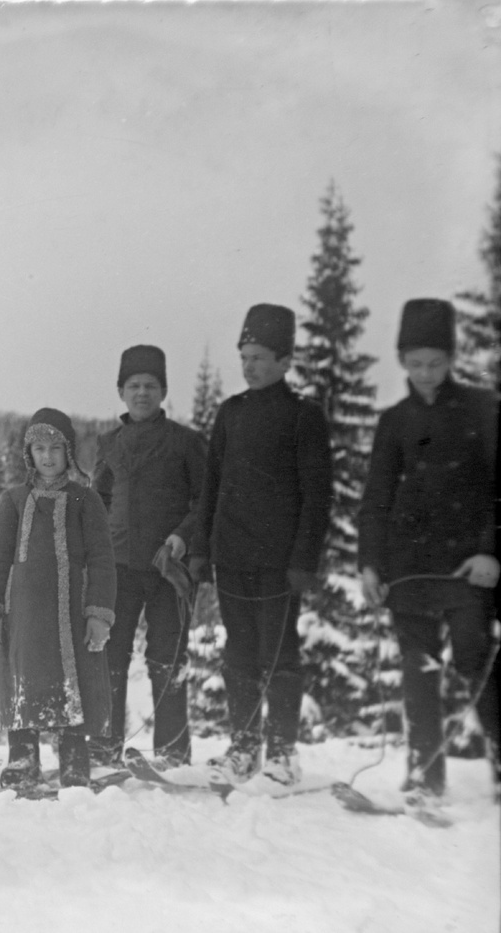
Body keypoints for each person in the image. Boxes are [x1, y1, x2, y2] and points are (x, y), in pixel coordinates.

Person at [357, 298, 500, 803]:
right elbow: (375, 497)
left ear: (451, 357)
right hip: (409, 567)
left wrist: (490, 552)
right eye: (415, 363)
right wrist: (370, 564)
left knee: (476, 662)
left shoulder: (483, 408)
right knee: (418, 670)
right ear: (401, 361)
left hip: (467, 567)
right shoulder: (393, 421)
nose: (425, 373)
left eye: (435, 363)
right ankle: (425, 775)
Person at [190, 305, 333, 786]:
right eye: (244, 356)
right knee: (239, 655)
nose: (249, 366)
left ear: (286, 360)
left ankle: (283, 754)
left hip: (278, 564)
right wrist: (201, 550)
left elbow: (317, 494)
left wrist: (303, 560)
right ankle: (245, 746)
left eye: (259, 357)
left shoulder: (303, 417)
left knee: (279, 656)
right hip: (232, 557)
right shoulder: (230, 414)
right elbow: (211, 486)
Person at [0, 408, 117, 789]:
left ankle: (74, 759)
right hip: (22, 614)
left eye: (56, 447)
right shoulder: (14, 500)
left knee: (73, 683)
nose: (48, 456)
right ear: (29, 453)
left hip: (71, 612)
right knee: (23, 680)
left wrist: (99, 614)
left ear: (69, 452)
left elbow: (103, 560)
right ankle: (22, 759)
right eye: (39, 448)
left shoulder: (86, 501)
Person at [92, 345, 207, 769]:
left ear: (163, 392)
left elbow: (204, 501)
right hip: (117, 570)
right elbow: (97, 500)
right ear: (121, 391)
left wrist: (181, 536)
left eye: (151, 386)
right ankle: (102, 746)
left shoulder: (186, 443)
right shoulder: (109, 444)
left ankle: (173, 753)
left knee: (167, 660)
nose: (142, 393)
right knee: (108, 656)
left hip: (167, 570)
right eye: (134, 386)